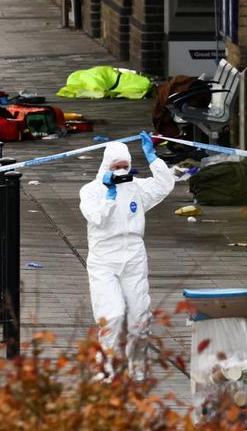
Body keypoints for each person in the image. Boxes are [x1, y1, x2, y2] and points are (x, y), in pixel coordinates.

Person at [79, 131, 175, 380]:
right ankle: (104, 368)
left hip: (133, 254)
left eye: (125, 166)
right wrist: (109, 196)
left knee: (139, 314)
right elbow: (97, 218)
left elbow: (164, 186)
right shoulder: (91, 191)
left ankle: (137, 367)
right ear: (106, 166)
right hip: (104, 258)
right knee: (111, 314)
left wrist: (153, 158)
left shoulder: (136, 188)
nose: (121, 171)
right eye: (116, 167)